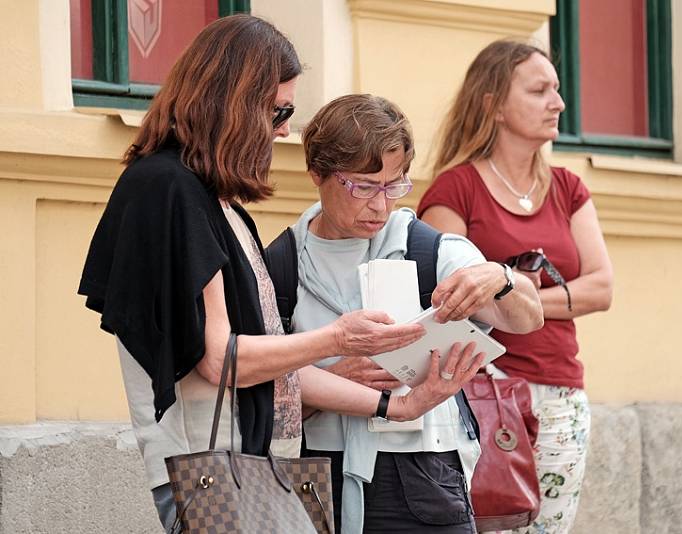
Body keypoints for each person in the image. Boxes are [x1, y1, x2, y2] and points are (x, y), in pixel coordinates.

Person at [78, 15, 481, 532]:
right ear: (235, 101)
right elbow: (222, 361)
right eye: (278, 110)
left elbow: (267, 361)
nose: (286, 128)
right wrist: (338, 337)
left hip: (262, 468)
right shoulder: (168, 189)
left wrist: (398, 406)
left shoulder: (209, 199)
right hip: (218, 471)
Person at [290, 93, 543, 534]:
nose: (380, 205)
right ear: (316, 173)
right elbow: (255, 395)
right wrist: (337, 381)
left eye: (394, 186)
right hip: (314, 474)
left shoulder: (428, 247)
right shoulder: (278, 264)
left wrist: (499, 278)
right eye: (364, 186)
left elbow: (527, 318)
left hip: (424, 473)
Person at [418, 39, 614, 534]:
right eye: (539, 90)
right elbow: (447, 300)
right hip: (486, 395)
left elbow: (602, 288)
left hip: (562, 395)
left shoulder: (569, 188)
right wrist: (552, 299)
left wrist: (512, 293)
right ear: (493, 105)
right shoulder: (455, 190)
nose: (558, 103)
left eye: (558, 89)